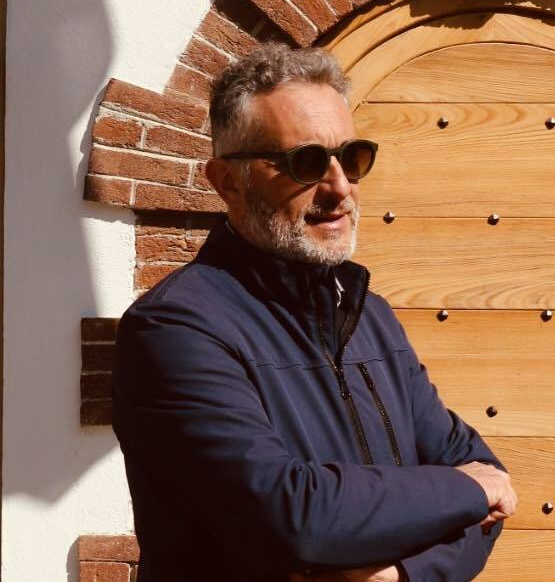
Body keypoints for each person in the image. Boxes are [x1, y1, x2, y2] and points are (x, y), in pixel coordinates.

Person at [112, 42, 517, 582]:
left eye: (352, 158)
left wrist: (403, 574)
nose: (339, 187)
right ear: (228, 181)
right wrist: (465, 489)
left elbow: (485, 478)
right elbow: (296, 516)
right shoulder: (174, 330)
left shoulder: (370, 316)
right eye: (305, 163)